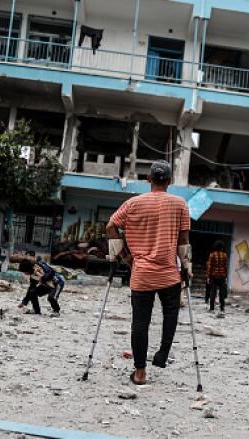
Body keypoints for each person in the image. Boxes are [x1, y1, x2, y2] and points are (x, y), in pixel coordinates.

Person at [106, 160, 190, 386]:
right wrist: (187, 269)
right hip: (169, 274)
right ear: (170, 181)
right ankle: (162, 355)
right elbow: (183, 242)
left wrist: (126, 256)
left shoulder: (133, 204)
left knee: (140, 323)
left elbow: (110, 227)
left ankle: (140, 372)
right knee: (170, 315)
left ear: (149, 180)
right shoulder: (180, 204)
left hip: (141, 273)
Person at [206, 240, 228, 317]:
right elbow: (225, 267)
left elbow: (209, 267)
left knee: (213, 292)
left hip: (213, 276)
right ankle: (222, 308)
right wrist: (226, 276)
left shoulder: (212, 255)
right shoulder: (225, 255)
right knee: (221, 293)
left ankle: (212, 309)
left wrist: (208, 277)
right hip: (222, 276)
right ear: (222, 247)